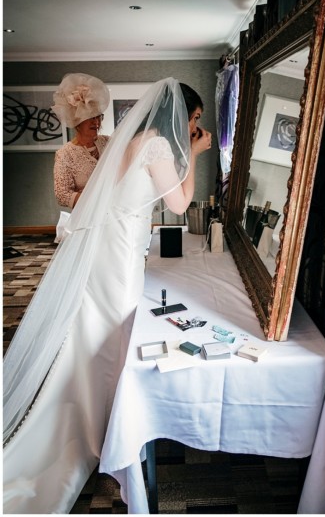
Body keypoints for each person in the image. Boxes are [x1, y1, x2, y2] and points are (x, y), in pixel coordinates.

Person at [3, 79, 212, 514]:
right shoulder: (156, 148)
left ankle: (99, 419)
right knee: (115, 334)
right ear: (179, 115)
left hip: (112, 244)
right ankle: (113, 428)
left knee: (99, 334)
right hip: (118, 253)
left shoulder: (130, 140)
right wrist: (193, 154)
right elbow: (179, 204)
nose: (194, 127)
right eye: (193, 119)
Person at [51, 73, 111, 242]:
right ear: (77, 121)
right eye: (90, 118)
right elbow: (62, 195)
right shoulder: (65, 154)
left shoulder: (109, 143)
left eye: (98, 116)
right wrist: (95, 198)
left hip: (114, 218)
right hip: (86, 221)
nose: (96, 122)